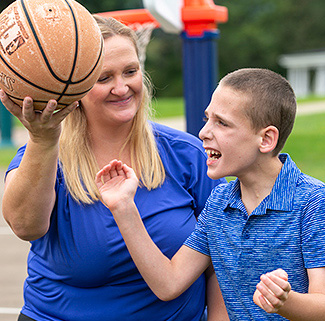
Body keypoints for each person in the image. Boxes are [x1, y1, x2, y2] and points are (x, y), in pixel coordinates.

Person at [1, 15, 227, 321]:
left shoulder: (186, 154)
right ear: (75, 87)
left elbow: (222, 258)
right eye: (104, 78)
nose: (121, 88)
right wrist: (43, 139)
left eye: (130, 72)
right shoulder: (44, 155)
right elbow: (25, 226)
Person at [95, 68, 325, 321]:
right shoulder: (220, 203)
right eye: (207, 119)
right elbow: (168, 283)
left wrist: (285, 301)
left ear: (266, 139)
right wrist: (124, 208)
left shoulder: (316, 203)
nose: (204, 133)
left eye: (222, 123)